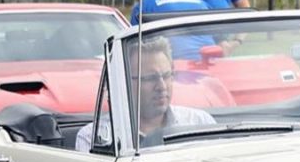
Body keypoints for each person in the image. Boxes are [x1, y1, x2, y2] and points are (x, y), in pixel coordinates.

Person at [75, 37, 214, 151]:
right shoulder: (96, 140)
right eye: (150, 78)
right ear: (124, 82)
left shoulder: (200, 123)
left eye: (166, 75)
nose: (161, 86)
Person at [130, 0, 215, 60]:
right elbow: (219, 37)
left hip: (171, 63)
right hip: (209, 60)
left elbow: (134, 43)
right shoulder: (201, 2)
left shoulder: (144, 4)